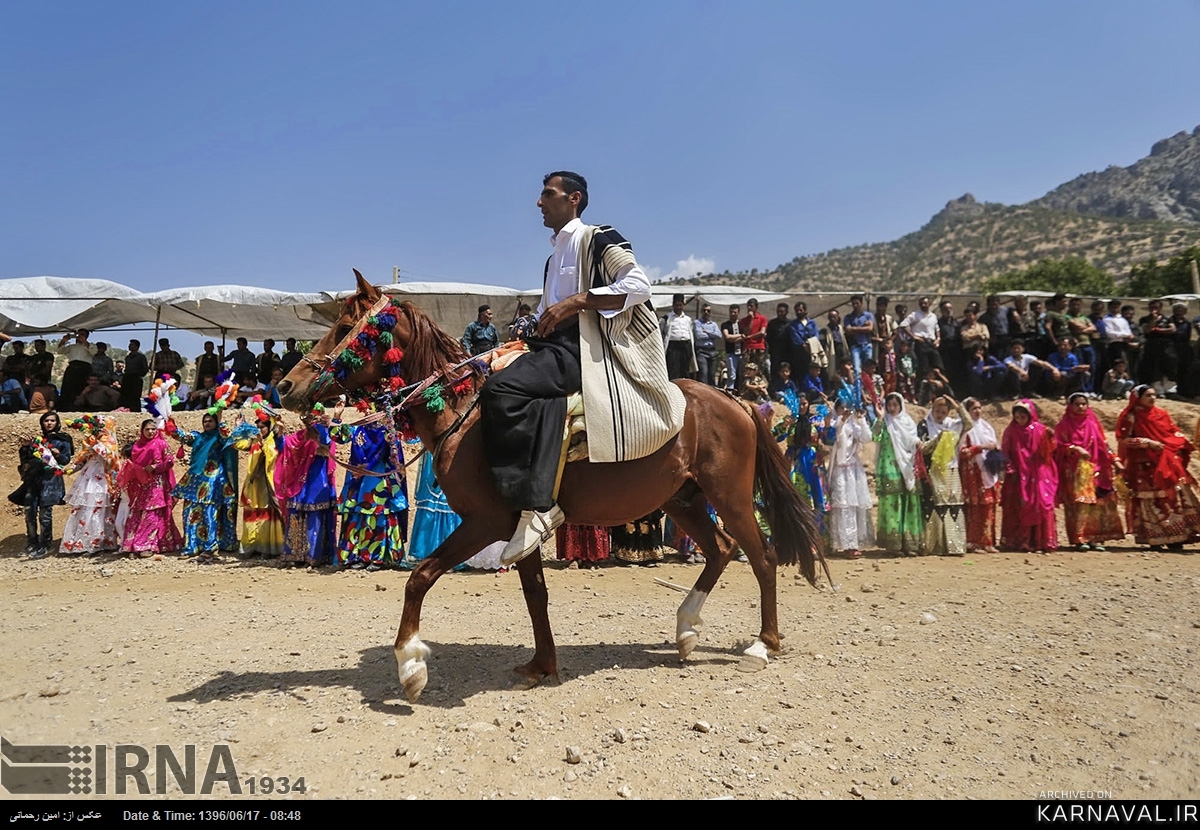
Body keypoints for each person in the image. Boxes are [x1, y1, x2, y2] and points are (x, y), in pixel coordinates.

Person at [480, 171, 681, 565]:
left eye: (547, 195)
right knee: (485, 377)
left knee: (500, 390)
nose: (539, 203)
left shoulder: (597, 237)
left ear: (573, 199)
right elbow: (544, 312)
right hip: (551, 346)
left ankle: (537, 504)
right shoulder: (553, 257)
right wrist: (528, 324)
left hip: (583, 351)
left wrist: (576, 303)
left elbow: (639, 285)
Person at [1115, 385, 1200, 549]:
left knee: (1174, 496)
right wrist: (1146, 443)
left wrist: (1177, 446)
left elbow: (1174, 433)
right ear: (1138, 398)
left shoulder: (1162, 414)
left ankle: (1178, 536)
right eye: (1148, 395)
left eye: (1154, 395)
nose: (1152, 398)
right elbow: (1123, 440)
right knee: (1151, 499)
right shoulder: (1130, 417)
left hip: (1168, 463)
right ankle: (1156, 537)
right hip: (1145, 465)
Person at [329, 402, 410, 570]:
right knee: (355, 515)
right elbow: (338, 437)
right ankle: (355, 556)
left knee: (377, 516)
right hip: (357, 480)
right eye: (364, 409)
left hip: (378, 480)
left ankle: (377, 557)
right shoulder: (358, 429)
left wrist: (369, 466)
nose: (366, 411)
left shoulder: (388, 432)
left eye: (370, 408)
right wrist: (336, 416)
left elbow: (392, 454)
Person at [173, 412, 256, 563]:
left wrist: (221, 419)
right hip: (196, 479)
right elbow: (182, 436)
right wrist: (169, 424)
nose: (207, 423)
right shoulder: (197, 436)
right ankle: (192, 545)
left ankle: (211, 546)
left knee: (210, 513)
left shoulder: (219, 437)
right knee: (189, 512)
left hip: (215, 479)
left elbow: (227, 436)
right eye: (205, 421)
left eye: (211, 421)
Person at [1054, 392, 1124, 552]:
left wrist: (1116, 460)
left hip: (1097, 467)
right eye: (1077, 404)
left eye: (1083, 404)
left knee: (1097, 504)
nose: (1080, 407)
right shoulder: (1064, 425)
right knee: (1080, 504)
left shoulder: (1093, 422)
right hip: (1075, 470)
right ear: (1070, 406)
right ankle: (1079, 538)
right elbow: (1058, 446)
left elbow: (1103, 443)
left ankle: (1095, 538)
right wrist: (1075, 448)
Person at [274, 409, 338, 567]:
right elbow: (284, 446)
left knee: (315, 517)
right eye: (306, 417)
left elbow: (326, 443)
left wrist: (332, 420)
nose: (308, 420)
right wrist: (280, 429)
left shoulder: (324, 432)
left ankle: (314, 556)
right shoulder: (300, 436)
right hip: (298, 483)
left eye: (311, 417)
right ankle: (294, 556)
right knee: (295, 516)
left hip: (318, 482)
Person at [1000, 400, 1059, 552]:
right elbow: (1005, 452)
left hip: (1038, 473)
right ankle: (1023, 541)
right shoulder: (1010, 431)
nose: (1020, 419)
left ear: (1030, 415)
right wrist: (1010, 468)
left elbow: (1050, 450)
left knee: (1041, 504)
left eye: (1023, 416)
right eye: (1017, 416)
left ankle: (1041, 541)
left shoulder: (1040, 430)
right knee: (1022, 504)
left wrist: (1051, 438)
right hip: (1020, 474)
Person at [59, 415, 122, 555]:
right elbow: (81, 459)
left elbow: (110, 457)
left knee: (102, 510)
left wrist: (97, 442)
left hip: (103, 478)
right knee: (85, 508)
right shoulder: (89, 440)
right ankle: (83, 542)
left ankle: (103, 542)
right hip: (88, 477)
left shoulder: (110, 442)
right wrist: (70, 469)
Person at [119, 419, 183, 556]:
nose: (150, 432)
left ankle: (147, 546)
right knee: (136, 513)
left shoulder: (161, 444)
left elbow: (170, 461)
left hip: (157, 484)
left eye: (153, 429)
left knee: (152, 513)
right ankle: (132, 545)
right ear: (142, 431)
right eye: (147, 429)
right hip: (140, 485)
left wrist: (155, 467)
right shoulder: (137, 446)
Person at [919, 395, 971, 556]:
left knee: (953, 506)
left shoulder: (952, 425)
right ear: (932, 410)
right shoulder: (924, 425)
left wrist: (958, 406)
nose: (939, 415)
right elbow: (922, 449)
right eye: (937, 411)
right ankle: (935, 545)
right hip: (933, 470)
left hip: (951, 470)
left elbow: (968, 423)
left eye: (943, 412)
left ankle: (955, 546)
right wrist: (937, 439)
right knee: (935, 506)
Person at [872, 392, 923, 555]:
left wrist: (918, 443)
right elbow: (874, 436)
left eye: (895, 405)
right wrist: (880, 417)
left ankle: (909, 544)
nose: (892, 409)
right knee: (892, 504)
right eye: (889, 405)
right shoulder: (884, 422)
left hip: (907, 467)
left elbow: (912, 440)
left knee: (909, 502)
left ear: (901, 405)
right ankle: (893, 545)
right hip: (889, 467)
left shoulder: (908, 422)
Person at [19, 412, 74, 558]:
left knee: (45, 514)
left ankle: (45, 544)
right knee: (29, 512)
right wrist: (25, 447)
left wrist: (57, 454)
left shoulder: (64, 440)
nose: (49, 423)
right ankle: (32, 541)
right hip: (33, 479)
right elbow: (25, 459)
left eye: (52, 420)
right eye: (46, 421)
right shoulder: (37, 440)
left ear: (57, 422)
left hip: (50, 481)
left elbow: (65, 460)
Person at [232, 408, 285, 558]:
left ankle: (268, 548)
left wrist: (263, 445)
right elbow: (238, 445)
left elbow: (274, 455)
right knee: (253, 512)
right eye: (258, 427)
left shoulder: (274, 440)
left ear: (269, 427)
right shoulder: (253, 440)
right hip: (254, 484)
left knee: (268, 513)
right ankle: (251, 546)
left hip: (268, 484)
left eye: (262, 427)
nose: (260, 429)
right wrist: (238, 426)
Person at [826, 400, 873, 558]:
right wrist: (842, 420)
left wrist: (862, 420)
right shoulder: (834, 423)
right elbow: (835, 437)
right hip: (840, 470)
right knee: (842, 507)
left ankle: (852, 544)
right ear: (837, 410)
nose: (845, 412)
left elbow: (867, 438)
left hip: (853, 470)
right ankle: (841, 543)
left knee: (854, 506)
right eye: (841, 409)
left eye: (848, 410)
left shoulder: (854, 425)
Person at [788, 396, 833, 545]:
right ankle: (801, 541)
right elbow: (774, 435)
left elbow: (829, 439)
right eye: (799, 404)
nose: (801, 406)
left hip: (814, 465)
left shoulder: (816, 421)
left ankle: (818, 541)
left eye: (804, 403)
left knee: (818, 499)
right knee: (800, 501)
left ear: (808, 404)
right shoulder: (791, 422)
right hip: (797, 465)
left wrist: (827, 423)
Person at [958, 397, 1001, 552]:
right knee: (974, 508)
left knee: (989, 506)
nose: (977, 411)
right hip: (972, 474)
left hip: (987, 471)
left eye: (979, 408)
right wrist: (981, 447)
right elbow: (962, 452)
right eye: (973, 409)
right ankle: (973, 542)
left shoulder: (986, 427)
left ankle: (987, 541)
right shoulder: (964, 429)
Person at [661, 293, 697, 381]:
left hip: (685, 345)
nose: (678, 307)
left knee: (685, 369)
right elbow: (661, 331)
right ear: (673, 305)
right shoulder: (667, 318)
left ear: (683, 305)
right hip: (673, 346)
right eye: (676, 305)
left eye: (680, 305)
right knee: (673, 368)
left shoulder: (687, 319)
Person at [57, 329, 94, 409]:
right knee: (68, 387)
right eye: (78, 334)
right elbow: (60, 351)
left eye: (82, 334)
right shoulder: (72, 347)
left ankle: (81, 406)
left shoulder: (90, 346)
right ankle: (66, 406)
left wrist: (84, 342)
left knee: (82, 387)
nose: (79, 336)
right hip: (73, 367)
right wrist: (64, 340)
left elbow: (94, 352)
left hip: (84, 368)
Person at [692, 304, 723, 387]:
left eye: (708, 311)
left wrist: (707, 332)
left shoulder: (714, 324)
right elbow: (699, 335)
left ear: (711, 313)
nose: (706, 312)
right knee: (703, 374)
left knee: (712, 375)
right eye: (704, 310)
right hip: (702, 351)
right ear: (701, 311)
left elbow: (719, 335)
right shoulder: (697, 323)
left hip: (712, 351)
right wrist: (712, 334)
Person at [739, 298, 768, 375]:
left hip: (759, 347)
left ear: (756, 307)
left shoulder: (762, 318)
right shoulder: (744, 320)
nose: (749, 308)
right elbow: (746, 332)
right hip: (748, 347)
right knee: (746, 371)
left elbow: (762, 332)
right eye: (748, 306)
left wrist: (750, 337)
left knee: (759, 370)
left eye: (751, 306)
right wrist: (751, 319)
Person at [120, 339, 149, 411]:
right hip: (127, 377)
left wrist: (139, 374)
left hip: (136, 378)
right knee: (126, 394)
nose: (129, 346)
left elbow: (145, 368)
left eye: (132, 345)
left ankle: (136, 410)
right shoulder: (128, 357)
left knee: (135, 396)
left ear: (137, 347)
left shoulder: (141, 357)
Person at [720, 304, 744, 391]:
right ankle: (730, 391)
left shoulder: (742, 324)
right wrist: (740, 336)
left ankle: (740, 391)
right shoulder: (725, 325)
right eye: (731, 312)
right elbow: (727, 337)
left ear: (738, 313)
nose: (733, 314)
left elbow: (746, 337)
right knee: (731, 374)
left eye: (735, 312)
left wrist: (735, 338)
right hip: (731, 353)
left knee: (742, 373)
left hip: (742, 352)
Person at [766, 302, 791, 376]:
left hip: (788, 352)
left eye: (782, 312)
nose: (780, 313)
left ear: (786, 312)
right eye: (778, 311)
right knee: (775, 370)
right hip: (775, 352)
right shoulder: (772, 323)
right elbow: (768, 338)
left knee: (787, 369)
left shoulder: (790, 324)